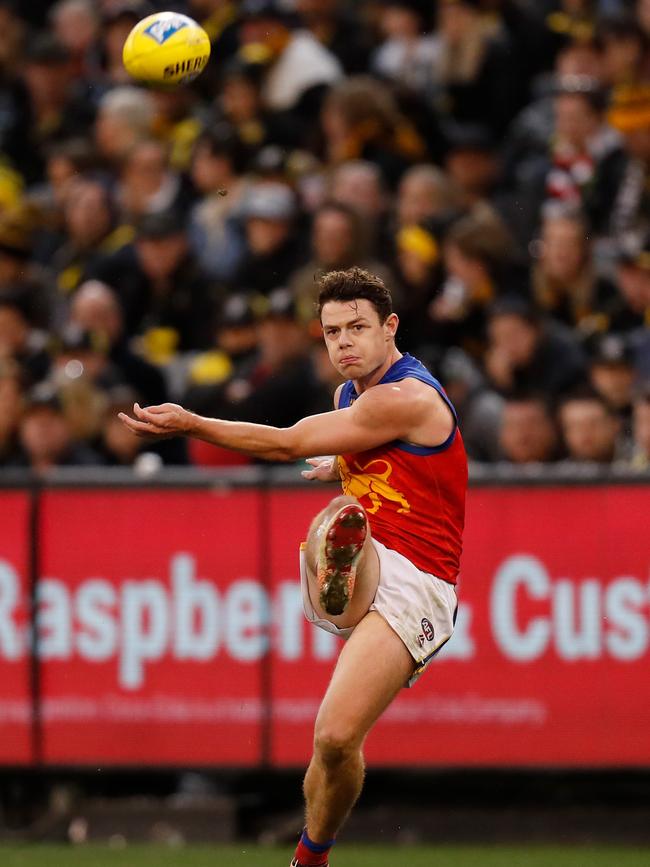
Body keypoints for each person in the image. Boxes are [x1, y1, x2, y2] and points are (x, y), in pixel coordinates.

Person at [119, 266, 467, 867]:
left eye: (357, 328)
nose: (344, 343)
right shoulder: (350, 396)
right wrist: (340, 460)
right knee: (339, 523)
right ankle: (339, 561)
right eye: (332, 333)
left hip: (418, 585)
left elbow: (285, 444)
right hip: (375, 563)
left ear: (391, 328)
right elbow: (366, 442)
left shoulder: (405, 397)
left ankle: (310, 857)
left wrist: (195, 422)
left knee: (335, 740)